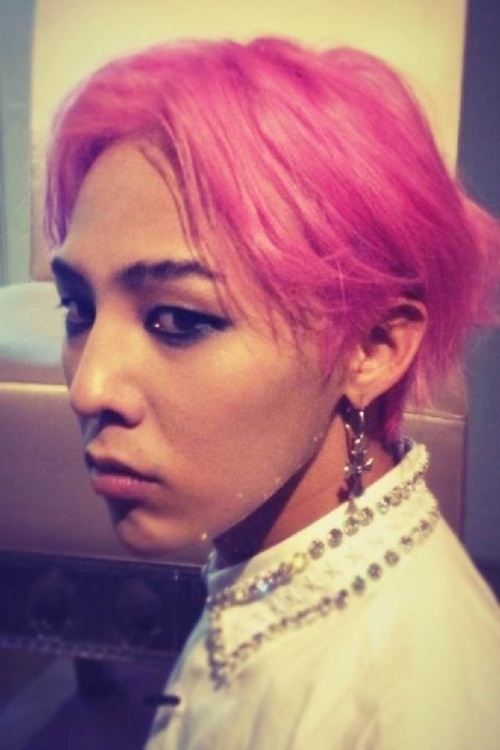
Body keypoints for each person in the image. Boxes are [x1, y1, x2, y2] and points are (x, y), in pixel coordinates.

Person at [46, 37, 500, 749]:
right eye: (78, 310)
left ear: (372, 348)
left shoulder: (416, 712)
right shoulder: (278, 556)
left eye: (178, 320)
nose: (89, 388)